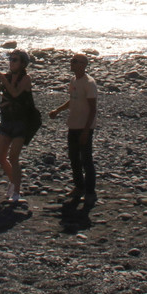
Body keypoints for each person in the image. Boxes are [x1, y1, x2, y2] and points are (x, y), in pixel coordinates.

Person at [49, 53, 98, 213]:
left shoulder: (89, 83)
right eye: (71, 61)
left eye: (75, 61)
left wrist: (86, 130)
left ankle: (90, 192)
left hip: (84, 127)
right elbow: (73, 100)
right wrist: (58, 110)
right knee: (73, 157)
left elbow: (93, 109)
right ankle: (79, 187)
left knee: (86, 160)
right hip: (73, 125)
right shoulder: (74, 80)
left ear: (83, 64)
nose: (72, 63)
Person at [0, 49, 40, 202]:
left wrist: (4, 81)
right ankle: (14, 181)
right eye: (10, 59)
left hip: (21, 122)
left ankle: (17, 192)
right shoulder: (5, 78)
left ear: (23, 63)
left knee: (13, 157)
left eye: (15, 60)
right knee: (0, 157)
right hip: (7, 120)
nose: (11, 62)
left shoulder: (26, 78)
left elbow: (15, 93)